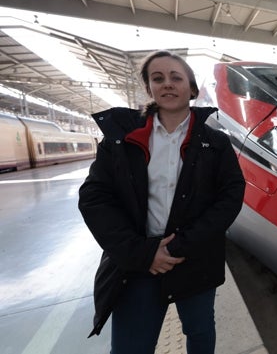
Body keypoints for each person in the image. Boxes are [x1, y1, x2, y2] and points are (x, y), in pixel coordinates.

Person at [78, 50, 246, 354]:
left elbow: (230, 196)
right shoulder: (120, 138)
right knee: (131, 347)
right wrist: (143, 253)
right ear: (149, 89)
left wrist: (179, 246)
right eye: (158, 78)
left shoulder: (215, 143)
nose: (167, 84)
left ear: (192, 89)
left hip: (193, 260)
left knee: (201, 334)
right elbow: (94, 198)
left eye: (176, 77)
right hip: (136, 264)